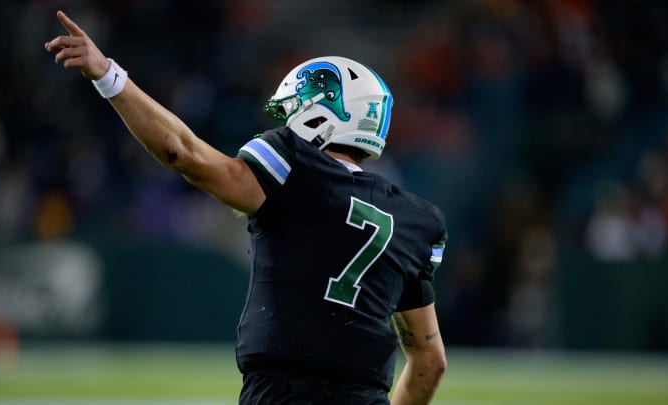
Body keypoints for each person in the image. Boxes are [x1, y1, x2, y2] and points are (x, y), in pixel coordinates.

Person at [45, 10, 448, 405]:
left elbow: (182, 153)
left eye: (294, 107)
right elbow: (430, 364)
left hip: (281, 392)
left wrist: (109, 76)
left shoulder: (293, 163)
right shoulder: (417, 220)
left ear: (324, 112)